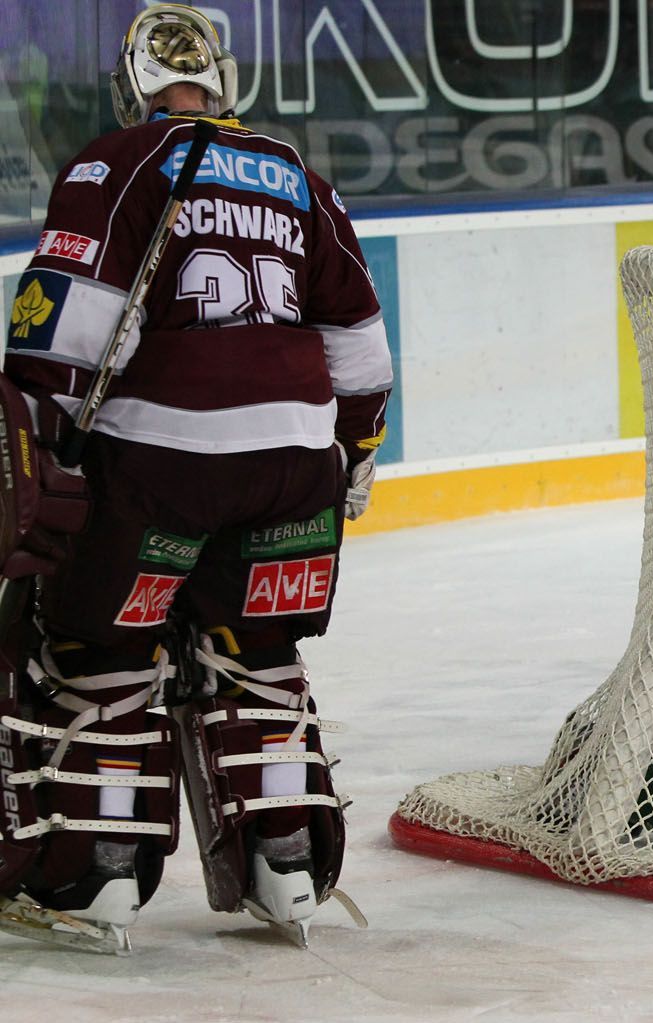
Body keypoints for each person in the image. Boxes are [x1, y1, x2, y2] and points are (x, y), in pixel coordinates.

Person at [0, 4, 390, 951]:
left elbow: (68, 337)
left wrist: (38, 453)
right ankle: (285, 867)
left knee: (96, 647)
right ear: (223, 84)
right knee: (255, 654)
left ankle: (88, 878)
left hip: (161, 470)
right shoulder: (297, 175)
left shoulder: (116, 162)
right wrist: (357, 449)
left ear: (130, 85)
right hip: (297, 469)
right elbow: (363, 349)